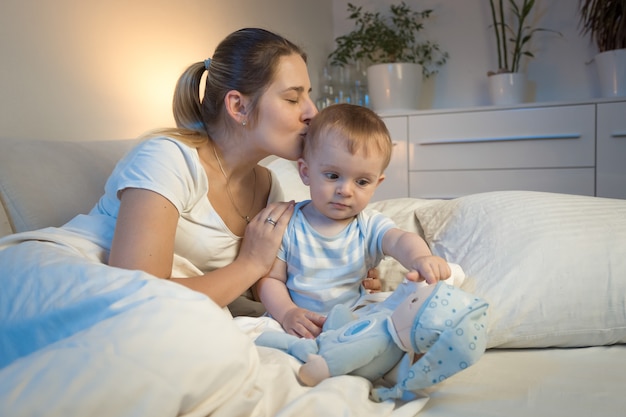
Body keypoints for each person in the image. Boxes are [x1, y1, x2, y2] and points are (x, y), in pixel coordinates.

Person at [0, 28, 384, 369]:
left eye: (309, 97)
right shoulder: (168, 156)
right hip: (66, 280)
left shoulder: (268, 187)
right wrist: (250, 265)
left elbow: (268, 285)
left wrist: (341, 275)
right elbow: (137, 290)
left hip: (160, 309)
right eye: (293, 98)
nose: (312, 114)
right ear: (238, 106)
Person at [256, 103, 451, 339]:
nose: (345, 190)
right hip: (299, 324)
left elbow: (400, 240)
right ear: (305, 172)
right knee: (257, 336)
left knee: (398, 324)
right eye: (333, 176)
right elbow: (272, 279)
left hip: (354, 323)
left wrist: (421, 258)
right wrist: (288, 313)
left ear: (376, 184)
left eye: (361, 182)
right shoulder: (288, 224)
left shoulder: (368, 225)